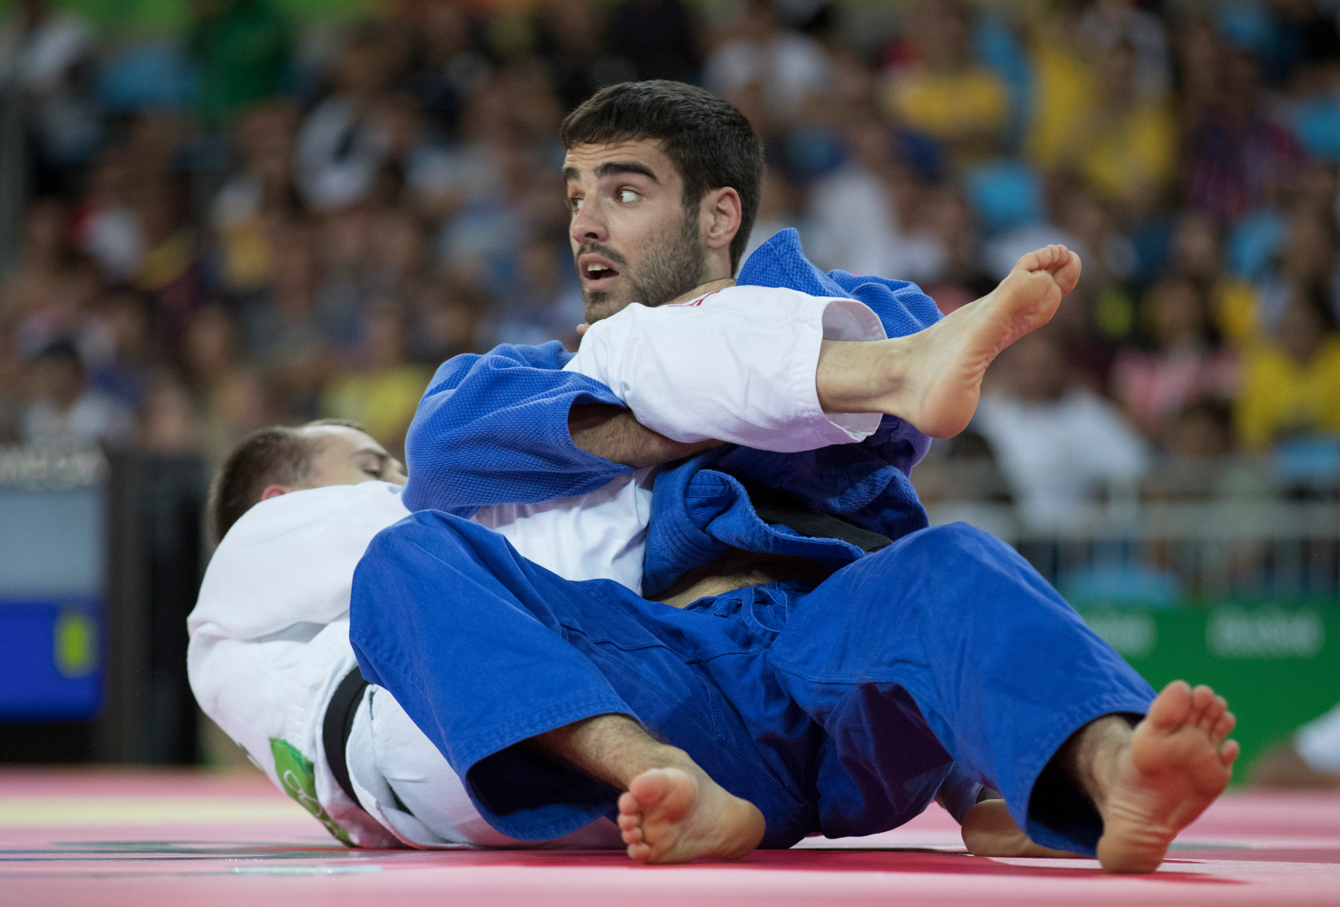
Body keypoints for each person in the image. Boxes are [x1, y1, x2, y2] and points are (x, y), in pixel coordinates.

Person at [345, 81, 1238, 874]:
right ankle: (666, 781)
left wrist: (734, 350)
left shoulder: (832, 303)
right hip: (674, 682)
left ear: (719, 216)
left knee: (956, 559)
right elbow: (444, 458)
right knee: (402, 561)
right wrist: (691, 397)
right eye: (575, 195)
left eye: (623, 191)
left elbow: (896, 403)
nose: (585, 221)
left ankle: (1116, 773)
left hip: (841, 655)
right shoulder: (514, 374)